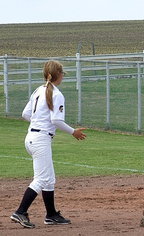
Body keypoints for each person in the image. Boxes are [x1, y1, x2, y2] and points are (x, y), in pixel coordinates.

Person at [10, 60, 87, 229]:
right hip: (40, 139)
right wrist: (73, 132)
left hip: (32, 137)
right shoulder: (56, 94)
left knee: (49, 179)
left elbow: (25, 114)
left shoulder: (39, 90)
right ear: (58, 75)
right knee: (42, 179)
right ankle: (20, 211)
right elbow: (56, 120)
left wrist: (39, 122)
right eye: (62, 74)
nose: (63, 77)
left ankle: (51, 215)